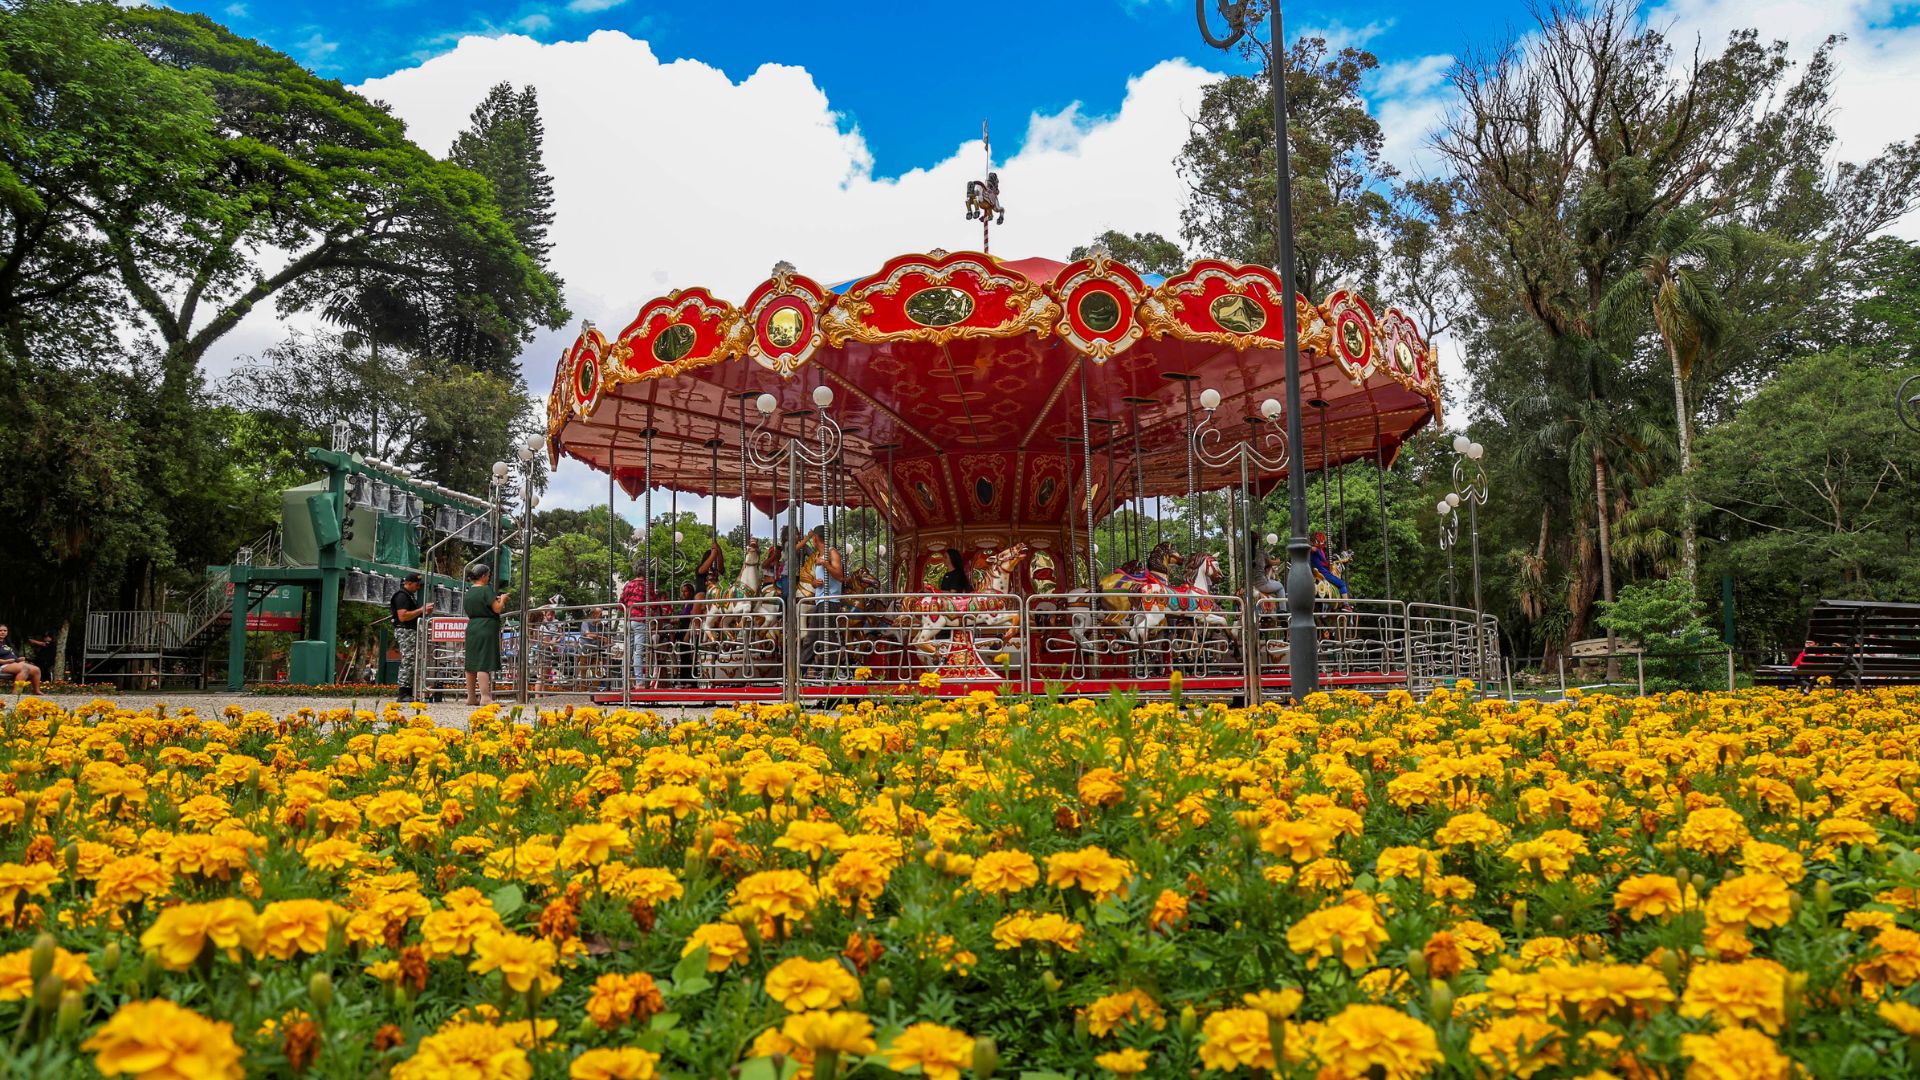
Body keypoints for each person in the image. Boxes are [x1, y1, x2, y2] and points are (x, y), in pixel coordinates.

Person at [462, 564, 508, 705]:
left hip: (472, 627)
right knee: (483, 662)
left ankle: (471, 697)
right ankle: (485, 697)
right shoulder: (486, 590)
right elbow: (497, 608)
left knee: (471, 663)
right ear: (483, 576)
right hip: (486, 627)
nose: (489, 578)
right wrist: (503, 599)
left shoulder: (469, 592)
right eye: (488, 575)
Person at [389, 573, 434, 701]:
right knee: (408, 660)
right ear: (408, 583)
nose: (418, 587)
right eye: (416, 584)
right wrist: (421, 610)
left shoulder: (409, 596)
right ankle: (403, 692)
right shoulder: (402, 596)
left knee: (412, 660)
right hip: (405, 631)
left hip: (411, 631)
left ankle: (409, 690)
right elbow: (403, 616)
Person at [0, 624, 41, 695]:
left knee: (36, 670)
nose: (3, 632)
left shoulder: (8, 643)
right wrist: (5, 661)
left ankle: (36, 691)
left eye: (5, 630)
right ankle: (16, 692)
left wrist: (19, 659)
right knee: (25, 668)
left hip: (13, 664)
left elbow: (13, 656)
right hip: (3, 665)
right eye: (0, 631)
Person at [1310, 531, 1349, 597]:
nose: (1323, 543)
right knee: (1342, 584)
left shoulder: (1318, 550)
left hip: (1319, 570)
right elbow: (1323, 560)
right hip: (1323, 572)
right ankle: (1346, 605)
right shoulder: (1316, 549)